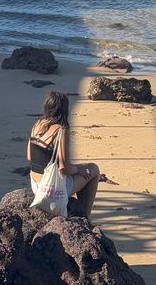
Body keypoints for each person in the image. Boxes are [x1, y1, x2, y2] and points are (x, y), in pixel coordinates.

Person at [27, 90, 103, 219]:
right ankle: (85, 218)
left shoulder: (37, 125)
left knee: (82, 169)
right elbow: (64, 167)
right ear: (64, 110)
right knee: (93, 170)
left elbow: (29, 157)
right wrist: (80, 170)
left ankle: (80, 214)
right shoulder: (61, 131)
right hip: (52, 188)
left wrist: (78, 168)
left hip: (35, 184)